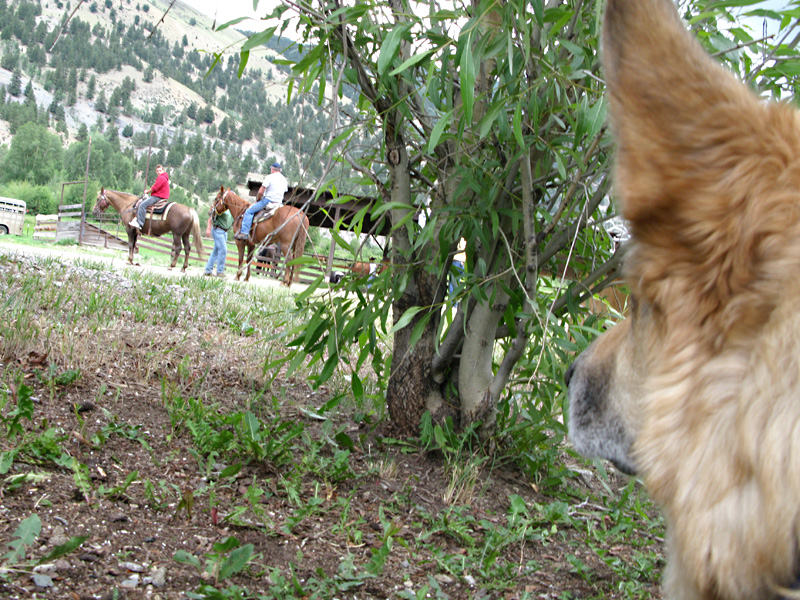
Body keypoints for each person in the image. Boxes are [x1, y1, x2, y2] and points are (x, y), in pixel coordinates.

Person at [235, 162, 288, 241]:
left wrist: (258, 199)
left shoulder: (270, 177)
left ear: (272, 169)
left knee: (249, 211)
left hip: (267, 201)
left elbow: (260, 192)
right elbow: (284, 191)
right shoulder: (284, 180)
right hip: (279, 203)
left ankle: (245, 233)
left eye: (271, 168)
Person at [130, 164, 170, 230]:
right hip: (162, 196)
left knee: (142, 205)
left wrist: (147, 191)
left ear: (163, 170)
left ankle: (140, 223)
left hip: (157, 197)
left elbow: (155, 188)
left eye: (160, 170)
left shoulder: (161, 178)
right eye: (157, 171)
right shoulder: (165, 178)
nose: (158, 172)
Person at [204, 205, 234, 277]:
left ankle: (208, 270)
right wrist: (208, 228)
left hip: (225, 232)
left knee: (216, 251)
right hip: (218, 230)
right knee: (223, 250)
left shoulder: (231, 210)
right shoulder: (222, 208)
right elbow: (211, 218)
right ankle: (220, 271)